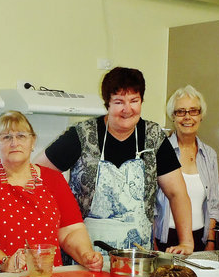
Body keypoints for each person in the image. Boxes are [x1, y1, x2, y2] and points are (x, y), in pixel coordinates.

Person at [34, 66, 194, 254]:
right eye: (119, 102)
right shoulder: (83, 135)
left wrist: (186, 242)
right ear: (107, 104)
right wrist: (61, 215)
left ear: (142, 101)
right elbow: (36, 173)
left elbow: (178, 194)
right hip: (84, 255)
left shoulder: (153, 137)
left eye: (134, 101)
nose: (127, 109)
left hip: (138, 258)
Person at [0, 111, 103, 274]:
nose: (14, 143)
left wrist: (85, 255)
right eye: (6, 137)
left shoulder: (54, 179)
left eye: (21, 136)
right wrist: (4, 263)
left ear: (33, 142)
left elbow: (70, 231)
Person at [153, 85, 219, 253]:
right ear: (173, 117)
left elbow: (213, 204)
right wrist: (151, 242)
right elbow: (149, 204)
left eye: (193, 111)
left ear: (201, 115)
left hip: (200, 240)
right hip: (164, 240)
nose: (187, 117)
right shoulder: (160, 151)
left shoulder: (209, 155)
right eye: (180, 112)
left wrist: (210, 241)